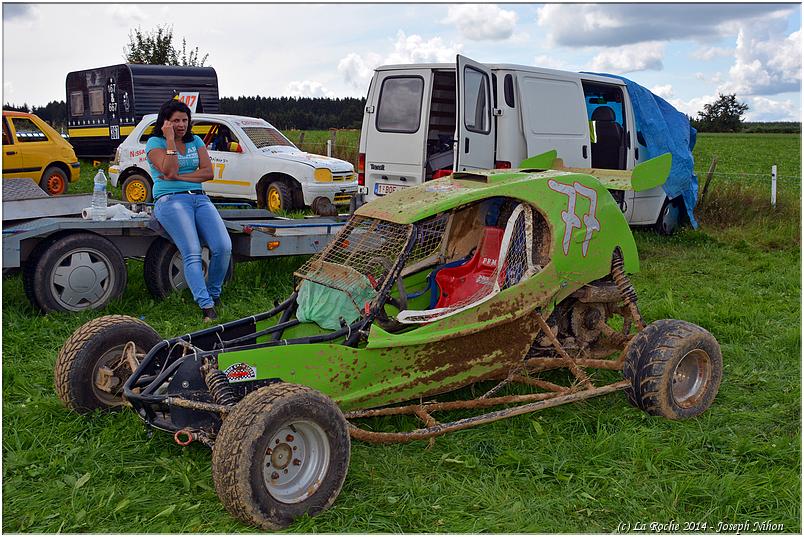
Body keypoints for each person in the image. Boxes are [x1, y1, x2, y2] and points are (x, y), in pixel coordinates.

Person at [146, 100, 232, 322]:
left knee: (223, 246)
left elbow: (207, 172)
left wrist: (182, 178)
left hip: (200, 198)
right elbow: (169, 169)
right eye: (176, 121)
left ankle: (214, 294)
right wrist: (170, 140)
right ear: (165, 122)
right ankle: (206, 306)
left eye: (185, 120)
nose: (182, 124)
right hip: (170, 200)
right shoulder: (155, 143)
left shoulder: (196, 141)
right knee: (192, 251)